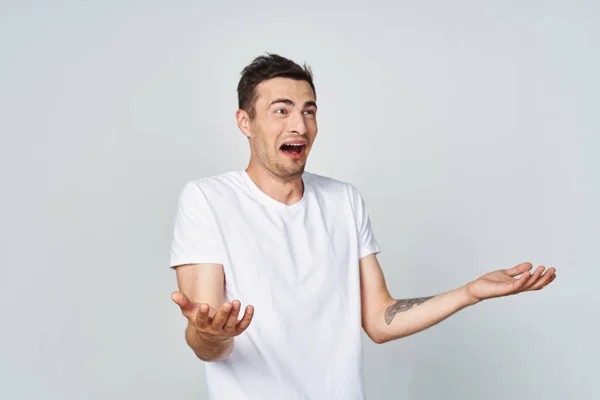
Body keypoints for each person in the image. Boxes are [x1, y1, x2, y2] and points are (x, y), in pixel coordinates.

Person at [168, 53, 557, 399]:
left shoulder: (343, 200)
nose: (300, 125)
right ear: (245, 122)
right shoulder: (208, 200)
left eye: (308, 110)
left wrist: (470, 292)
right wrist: (211, 333)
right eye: (281, 110)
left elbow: (379, 318)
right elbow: (208, 341)